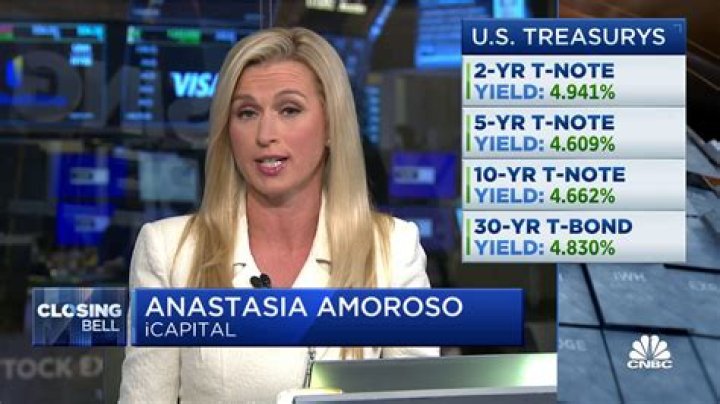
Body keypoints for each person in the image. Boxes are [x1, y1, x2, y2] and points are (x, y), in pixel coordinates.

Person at [119, 27, 437, 403]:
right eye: (247, 112)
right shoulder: (170, 251)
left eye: (289, 110)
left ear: (331, 126)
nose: (265, 134)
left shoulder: (392, 250)